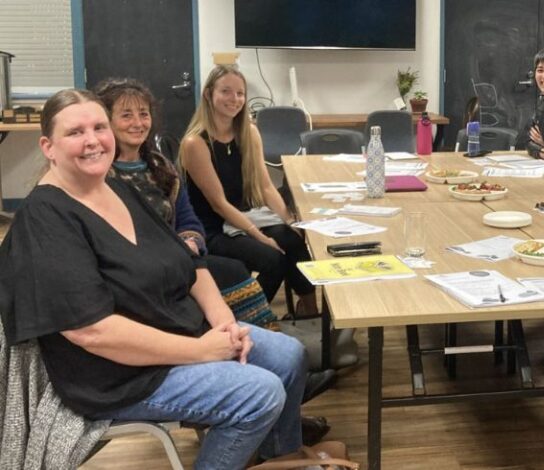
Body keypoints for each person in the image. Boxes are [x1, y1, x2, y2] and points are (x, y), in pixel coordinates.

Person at [0, 89, 320, 469]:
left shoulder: (119, 189)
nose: (92, 141)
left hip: (181, 333)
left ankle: (278, 457)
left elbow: (191, 265)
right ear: (48, 146)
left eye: (99, 127)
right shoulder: (46, 218)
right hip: (120, 375)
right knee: (259, 393)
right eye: (75, 132)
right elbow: (91, 332)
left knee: (288, 354)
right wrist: (201, 352)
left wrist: (224, 323)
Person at [94, 78, 278, 329]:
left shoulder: (162, 168)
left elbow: (189, 219)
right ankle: (239, 335)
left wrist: (192, 240)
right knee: (233, 271)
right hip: (136, 271)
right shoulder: (100, 175)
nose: (138, 123)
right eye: (126, 116)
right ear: (107, 122)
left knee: (235, 270)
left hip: (179, 258)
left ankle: (248, 334)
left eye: (143, 114)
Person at [179, 65, 318, 317]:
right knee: (272, 259)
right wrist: (259, 237)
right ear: (209, 95)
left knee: (292, 239)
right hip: (212, 228)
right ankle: (249, 317)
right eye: (226, 92)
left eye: (240, 93)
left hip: (243, 218)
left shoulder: (248, 132)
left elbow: (265, 187)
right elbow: (219, 203)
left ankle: (309, 310)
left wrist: (289, 220)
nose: (235, 99)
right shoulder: (195, 143)